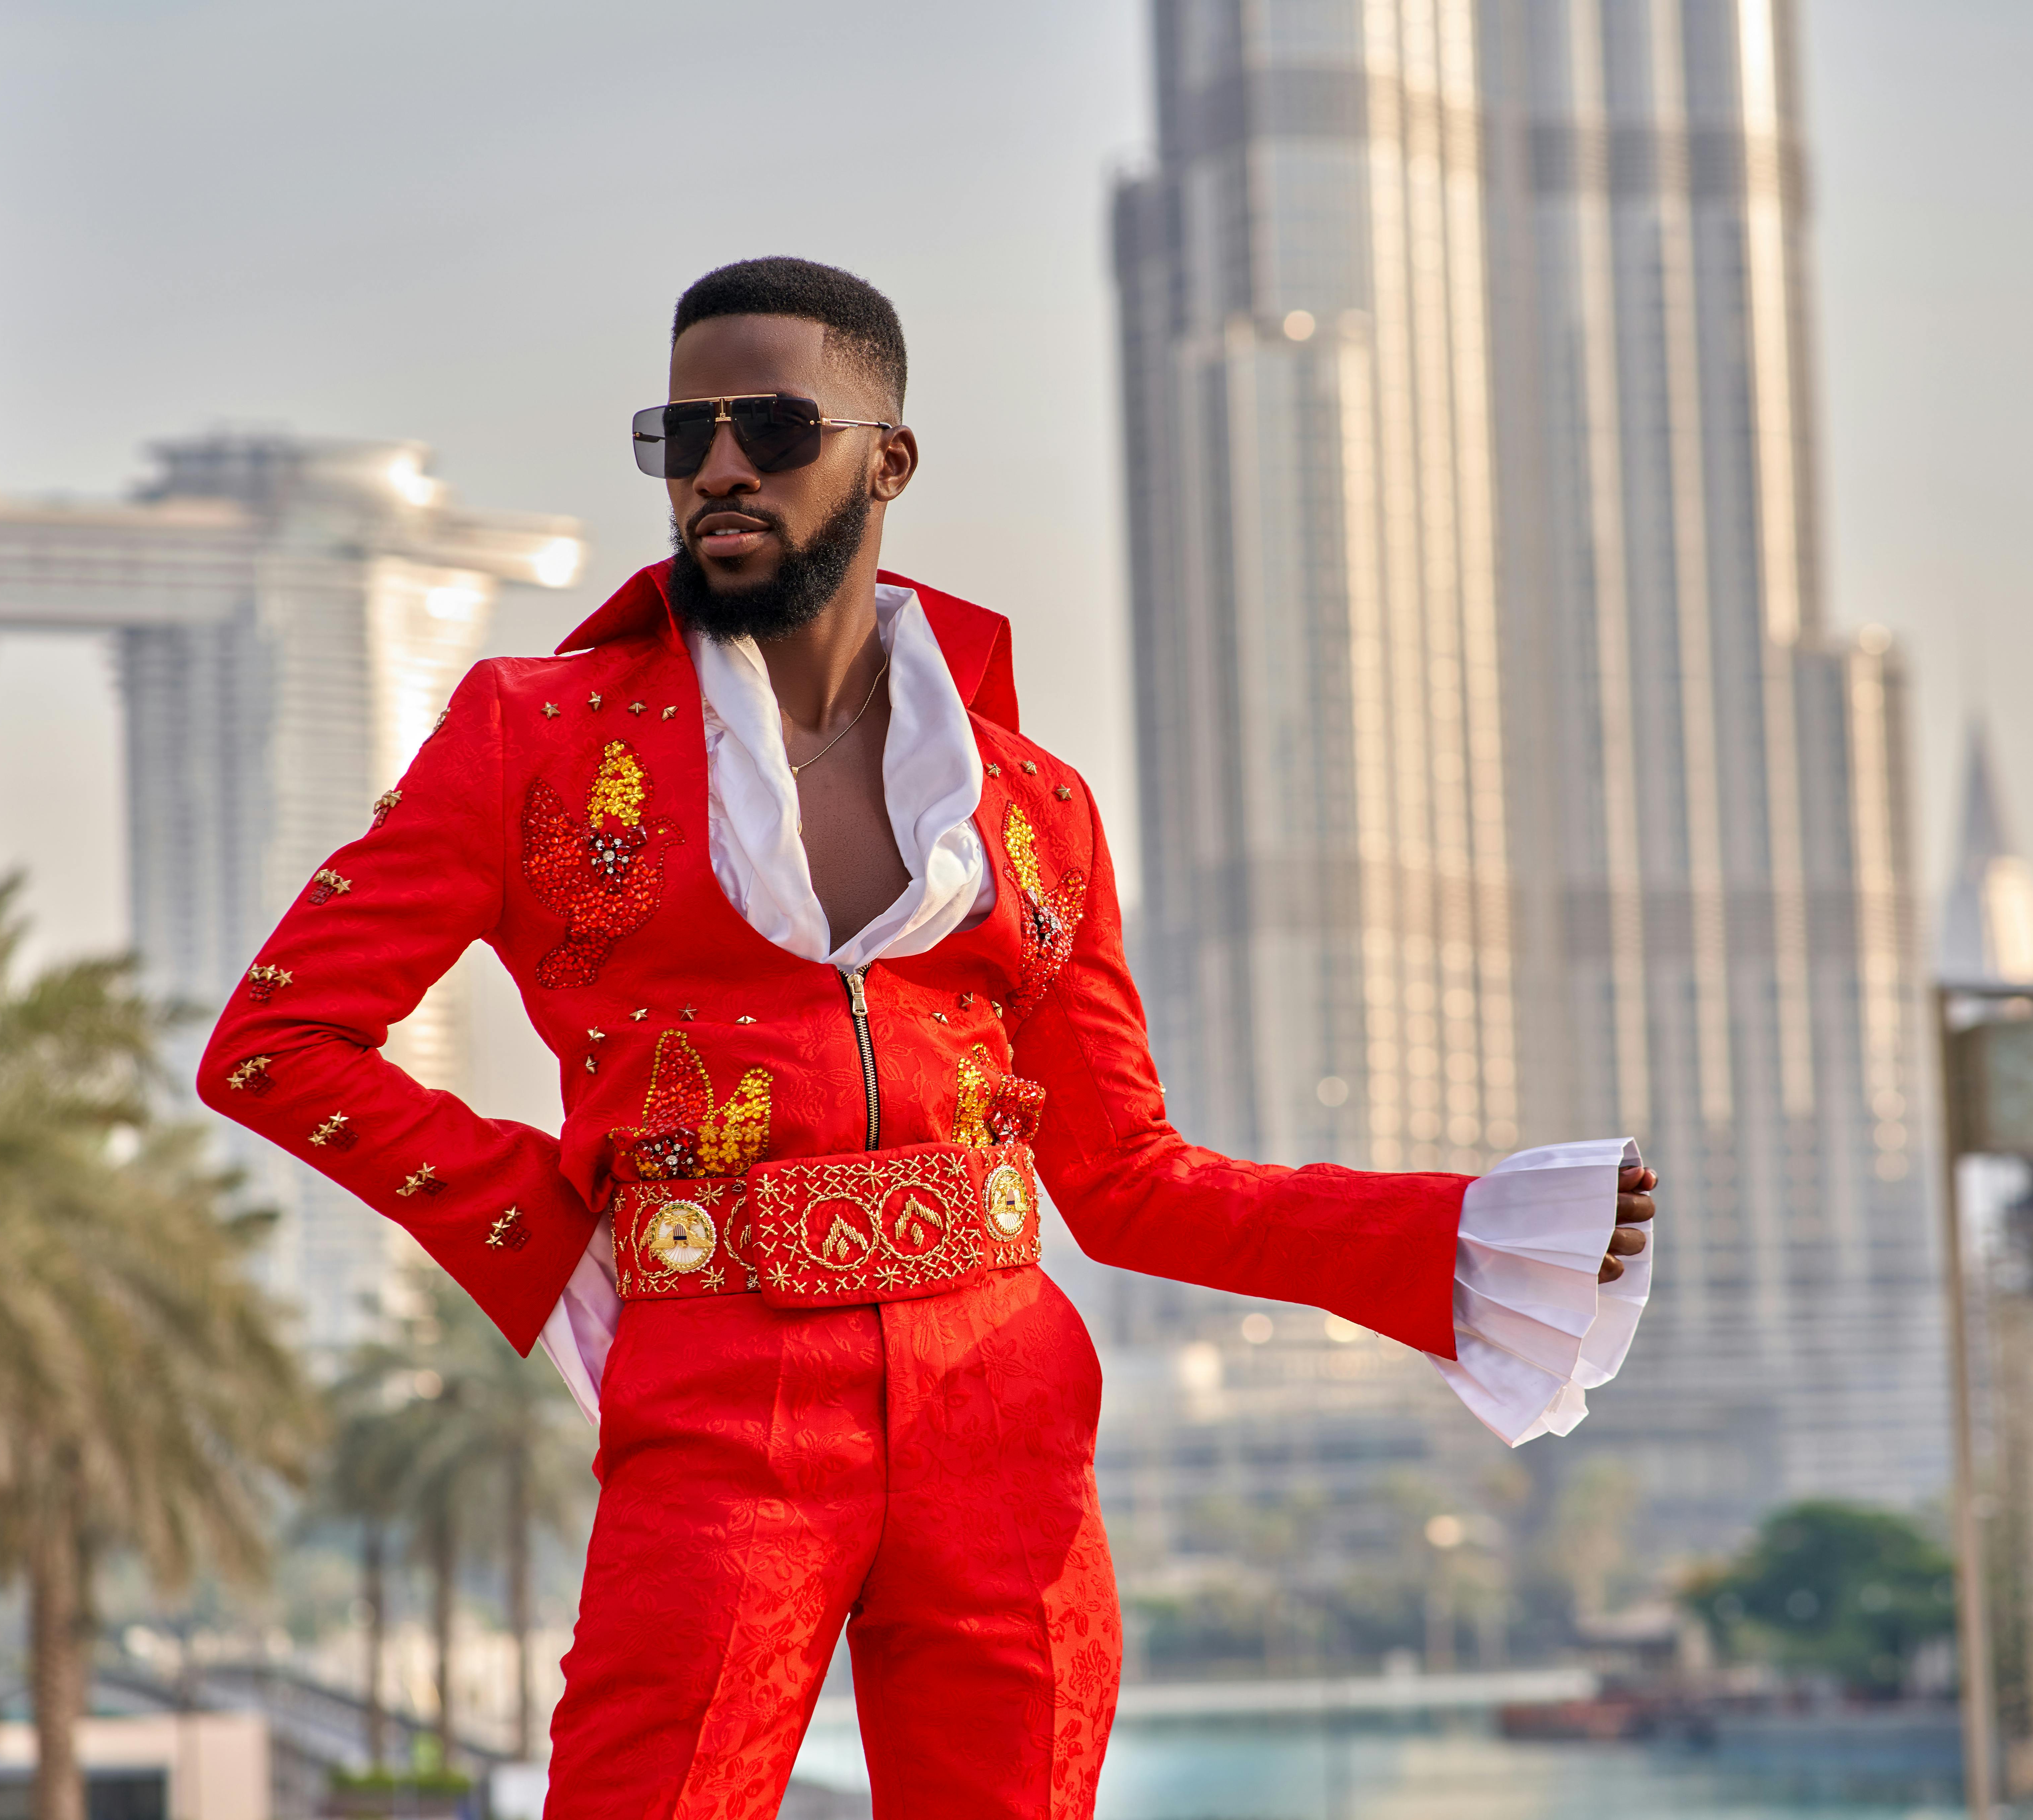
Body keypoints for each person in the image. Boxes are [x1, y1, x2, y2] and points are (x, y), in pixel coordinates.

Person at [199, 256, 1659, 1820]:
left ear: (886, 459)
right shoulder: (533, 734)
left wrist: (1459, 1226)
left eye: (768, 424)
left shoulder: (1033, 807)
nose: (720, 470)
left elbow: (1131, 1181)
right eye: (679, 436)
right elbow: (277, 1041)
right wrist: (560, 1235)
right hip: (718, 1409)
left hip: (1007, 1415)